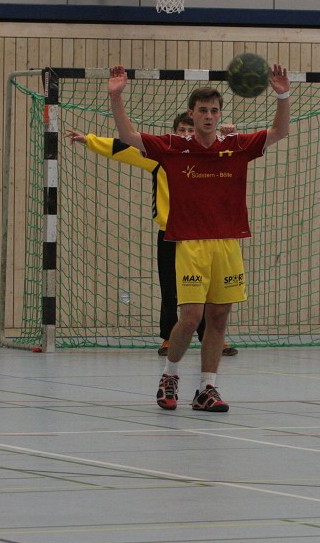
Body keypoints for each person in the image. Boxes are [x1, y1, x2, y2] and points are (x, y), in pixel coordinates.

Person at [107, 64, 290, 412]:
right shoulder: (175, 146)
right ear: (192, 114)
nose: (208, 116)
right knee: (190, 318)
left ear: (220, 115)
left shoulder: (236, 145)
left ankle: (207, 388)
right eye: (202, 110)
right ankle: (170, 375)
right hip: (190, 243)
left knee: (219, 318)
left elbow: (280, 131)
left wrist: (282, 94)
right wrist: (117, 97)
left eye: (214, 110)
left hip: (227, 242)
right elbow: (129, 136)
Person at [65, 112, 238, 357]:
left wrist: (229, 136)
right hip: (170, 233)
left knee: (208, 290)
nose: (186, 134)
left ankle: (213, 338)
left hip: (203, 234)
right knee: (170, 289)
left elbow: (236, 155)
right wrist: (89, 140)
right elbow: (122, 148)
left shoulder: (211, 155)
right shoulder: (161, 157)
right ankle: (169, 337)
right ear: (174, 132)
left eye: (190, 130)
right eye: (181, 130)